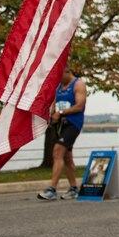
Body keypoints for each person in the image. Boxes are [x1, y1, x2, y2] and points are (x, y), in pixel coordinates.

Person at [37, 66, 86, 201]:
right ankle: (73, 189)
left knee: (57, 152)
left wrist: (61, 113)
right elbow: (54, 107)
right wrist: (51, 116)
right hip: (59, 125)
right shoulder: (58, 87)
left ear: (67, 72)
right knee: (67, 157)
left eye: (59, 76)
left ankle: (52, 189)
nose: (58, 79)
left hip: (73, 123)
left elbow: (79, 105)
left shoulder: (78, 84)